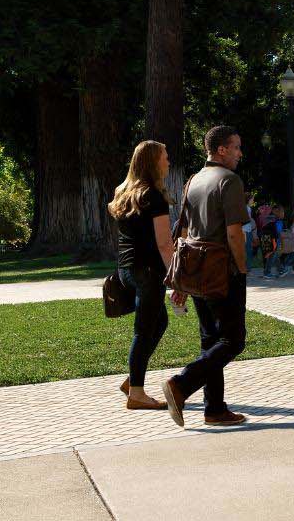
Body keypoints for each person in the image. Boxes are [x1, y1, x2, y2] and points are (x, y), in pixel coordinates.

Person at [161, 125, 251, 429]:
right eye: (236, 147)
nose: (240, 153)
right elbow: (234, 234)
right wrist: (242, 268)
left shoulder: (193, 181)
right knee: (234, 340)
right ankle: (181, 384)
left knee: (211, 340)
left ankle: (214, 409)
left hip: (197, 270)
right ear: (221, 149)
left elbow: (184, 232)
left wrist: (180, 280)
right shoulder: (230, 180)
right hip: (223, 271)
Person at [109, 139, 179, 413]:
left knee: (159, 322)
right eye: (164, 156)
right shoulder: (153, 195)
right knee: (144, 330)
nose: (168, 161)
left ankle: (132, 380)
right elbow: (164, 242)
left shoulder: (124, 191)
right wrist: (175, 276)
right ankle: (137, 393)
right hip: (148, 272)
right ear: (153, 162)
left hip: (126, 269)